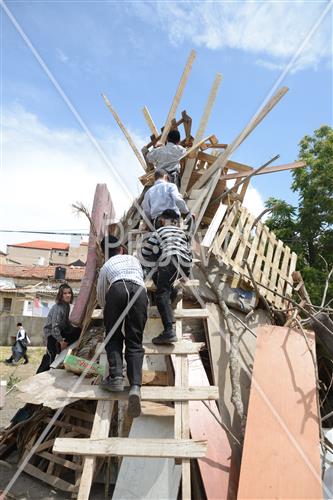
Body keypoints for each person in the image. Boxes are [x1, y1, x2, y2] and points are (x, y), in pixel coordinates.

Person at [97, 235, 148, 418]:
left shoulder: (106, 267)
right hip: (140, 294)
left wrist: (109, 312)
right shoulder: (134, 260)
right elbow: (141, 280)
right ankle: (135, 387)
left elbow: (101, 295)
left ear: (105, 254)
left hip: (117, 289)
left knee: (113, 336)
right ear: (121, 249)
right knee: (135, 341)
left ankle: (116, 377)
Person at [140, 215, 192, 344]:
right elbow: (189, 254)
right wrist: (187, 275)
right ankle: (173, 293)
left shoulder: (159, 231)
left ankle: (169, 331)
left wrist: (151, 265)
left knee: (161, 294)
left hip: (170, 260)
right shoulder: (182, 233)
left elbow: (146, 252)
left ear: (161, 222)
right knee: (167, 287)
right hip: (184, 264)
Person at [36, 283, 81, 373]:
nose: (68, 295)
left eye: (69, 293)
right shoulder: (58, 308)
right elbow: (54, 327)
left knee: (77, 331)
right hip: (52, 334)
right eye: (65, 293)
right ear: (60, 295)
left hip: (61, 331)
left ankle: (63, 352)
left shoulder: (67, 306)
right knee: (50, 356)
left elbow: (66, 323)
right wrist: (61, 341)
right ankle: (41, 373)